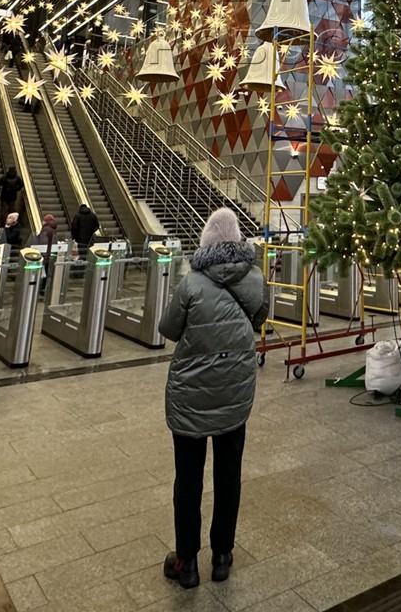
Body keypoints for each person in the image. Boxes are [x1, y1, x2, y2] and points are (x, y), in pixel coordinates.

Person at [160, 209, 269, 589]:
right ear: (238, 239)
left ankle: (186, 562)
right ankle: (222, 554)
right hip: (235, 392)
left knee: (187, 479)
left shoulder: (191, 284)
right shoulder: (256, 279)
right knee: (228, 475)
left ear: (206, 240)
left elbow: (168, 329)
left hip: (191, 396)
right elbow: (257, 321)